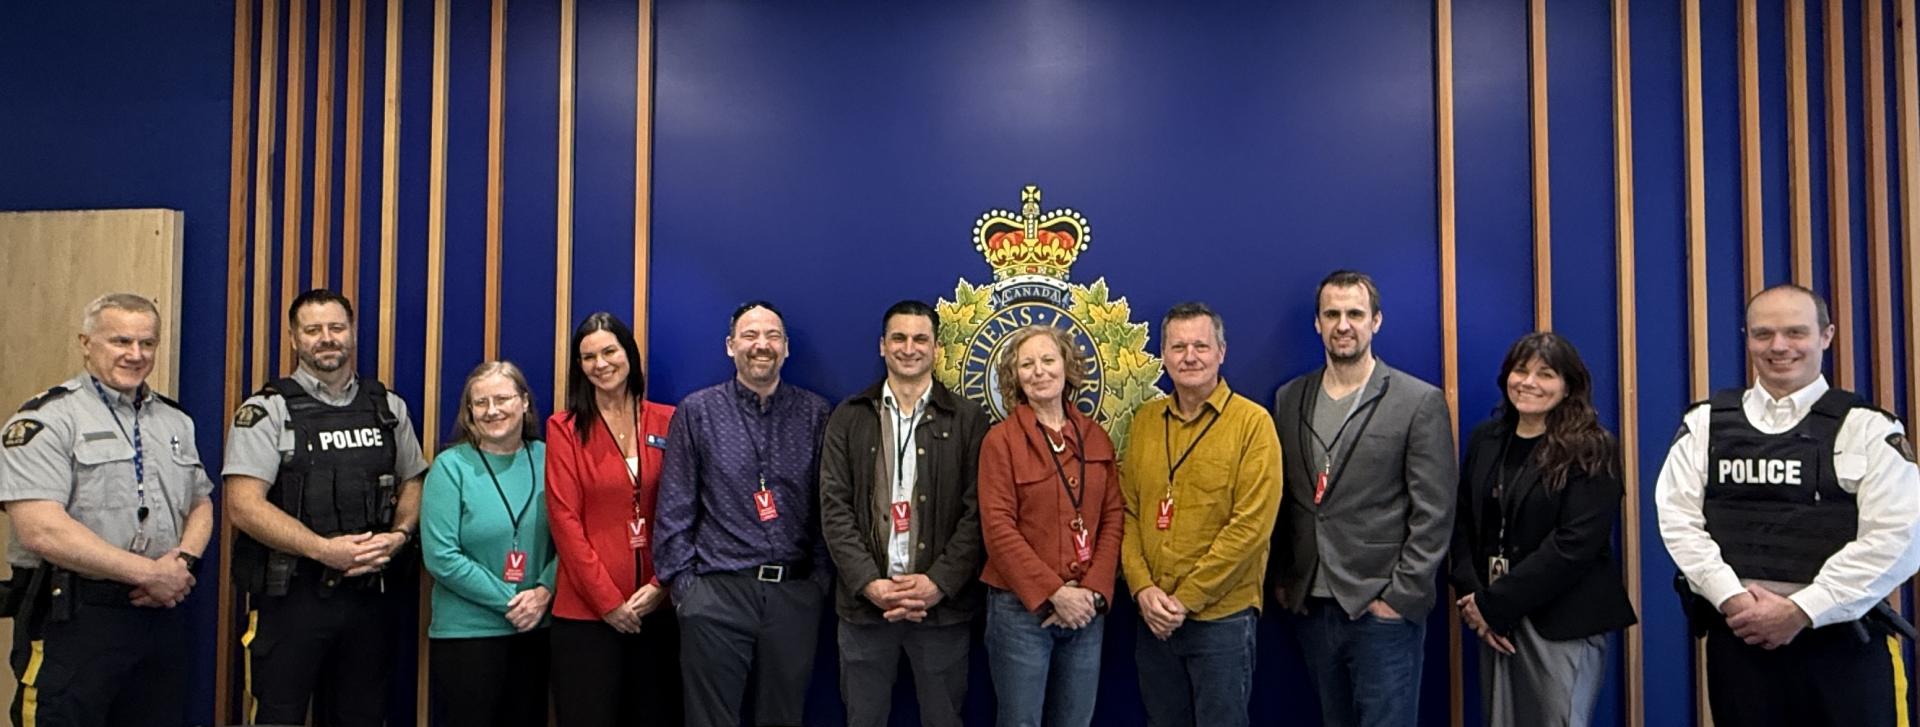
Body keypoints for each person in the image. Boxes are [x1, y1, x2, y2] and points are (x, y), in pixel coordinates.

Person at [1656, 284, 1920, 727]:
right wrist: (1735, 600)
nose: (1779, 346)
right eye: (1764, 334)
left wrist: (1801, 610)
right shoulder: (1704, 424)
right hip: (1741, 641)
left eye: (1795, 332)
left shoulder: (1869, 429)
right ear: (1747, 337)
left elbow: (1899, 537)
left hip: (1844, 645)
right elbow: (1678, 521)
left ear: (1826, 336)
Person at [0, 293, 214, 727]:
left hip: (159, 615)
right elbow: (42, 530)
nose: (135, 355)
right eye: (120, 341)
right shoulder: (47, 420)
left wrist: (180, 564)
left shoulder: (175, 421)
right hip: (75, 618)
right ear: (86, 343)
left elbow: (200, 502)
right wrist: (149, 574)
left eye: (147, 343)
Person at [224, 288, 428, 727]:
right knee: (277, 715)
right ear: (295, 339)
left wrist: (400, 535)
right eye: (313, 330)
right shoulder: (267, 411)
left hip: (370, 597)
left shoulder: (387, 407)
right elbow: (242, 506)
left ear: (352, 333)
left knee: (363, 714)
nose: (327, 338)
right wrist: (321, 549)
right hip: (293, 597)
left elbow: (414, 479)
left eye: (336, 327)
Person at [1270, 269, 1455, 727]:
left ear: (1376, 321)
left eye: (1355, 313)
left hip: (1381, 610)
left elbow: (1434, 512)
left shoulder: (1418, 401)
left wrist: (1399, 598)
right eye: (1332, 314)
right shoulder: (1290, 398)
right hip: (1311, 605)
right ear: (1317, 323)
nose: (1343, 325)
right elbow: (1287, 498)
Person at [655, 300, 833, 727]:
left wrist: (818, 585)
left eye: (772, 336)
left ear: (786, 348)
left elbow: (830, 507)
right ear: (730, 346)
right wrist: (686, 593)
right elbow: (674, 505)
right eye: (750, 335)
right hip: (716, 595)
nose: (761, 345)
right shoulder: (697, 412)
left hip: (793, 596)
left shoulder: (816, 413)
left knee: (784, 718)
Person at [1447, 332, 1636, 727]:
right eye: (1521, 370)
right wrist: (1473, 597)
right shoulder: (1486, 439)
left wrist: (1496, 604)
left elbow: (1575, 545)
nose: (1529, 382)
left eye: (1545, 374)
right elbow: (1463, 519)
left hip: (1559, 619)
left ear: (1568, 386)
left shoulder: (1591, 448)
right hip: (1493, 617)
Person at [818, 300, 989, 727]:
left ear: (936, 349)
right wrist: (869, 583)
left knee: (944, 720)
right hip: (865, 609)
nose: (908, 348)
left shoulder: (968, 419)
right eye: (898, 337)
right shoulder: (849, 416)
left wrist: (937, 584)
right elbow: (833, 507)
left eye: (920, 339)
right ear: (881, 346)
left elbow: (979, 513)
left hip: (941, 610)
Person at [1119, 301, 1281, 727]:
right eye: (1178, 347)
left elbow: (1251, 528)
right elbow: (1128, 513)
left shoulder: (1252, 424)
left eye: (1200, 346)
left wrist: (1184, 601)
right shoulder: (1145, 422)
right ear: (1163, 355)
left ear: (1221, 353)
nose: (1189, 357)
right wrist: (1142, 590)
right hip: (1153, 617)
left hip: (1221, 619)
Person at [978, 324, 1123, 727]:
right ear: (1014, 376)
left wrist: (1091, 593)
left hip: (1086, 612)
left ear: (1067, 367)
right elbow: (997, 528)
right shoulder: (1000, 441)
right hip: (1019, 612)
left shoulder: (1096, 438)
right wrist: (1054, 593)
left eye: (1048, 360)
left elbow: (1113, 518)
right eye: (1027, 364)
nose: (1039, 371)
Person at [545, 313, 682, 727]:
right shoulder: (564, 428)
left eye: (609, 351)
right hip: (587, 617)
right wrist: (608, 603)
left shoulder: (670, 420)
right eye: (588, 357)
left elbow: (686, 510)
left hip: (657, 611)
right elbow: (564, 521)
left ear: (629, 354)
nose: (600, 364)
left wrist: (660, 586)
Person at [421, 360, 555, 727]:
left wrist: (544, 591)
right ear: (469, 412)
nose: (492, 410)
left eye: (502, 398)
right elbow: (441, 556)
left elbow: (575, 537)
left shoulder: (550, 458)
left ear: (524, 402)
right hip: (467, 636)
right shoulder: (449, 467)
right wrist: (512, 601)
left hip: (536, 630)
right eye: (480, 403)